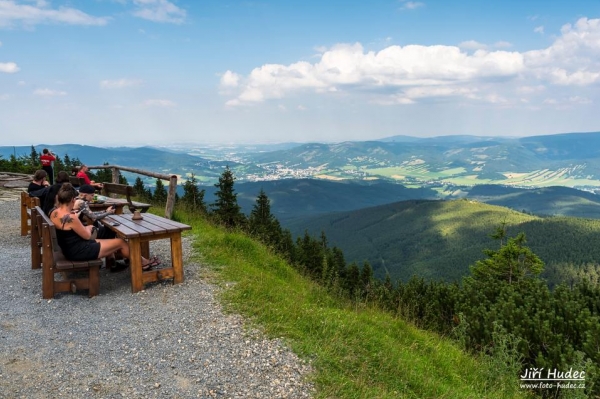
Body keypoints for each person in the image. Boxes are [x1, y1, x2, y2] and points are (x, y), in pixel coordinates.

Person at [50, 183, 159, 271]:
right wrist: (89, 228)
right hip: (78, 251)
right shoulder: (71, 218)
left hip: (69, 248)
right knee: (120, 243)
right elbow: (88, 236)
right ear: (73, 200)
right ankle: (142, 263)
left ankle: (134, 260)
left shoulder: (54, 212)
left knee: (112, 240)